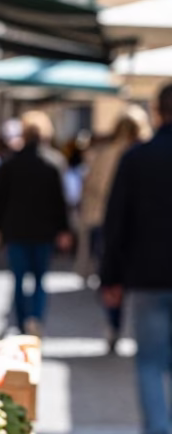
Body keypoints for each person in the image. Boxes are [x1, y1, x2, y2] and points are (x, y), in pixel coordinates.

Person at [101, 83, 172, 434]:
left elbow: (116, 221)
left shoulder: (137, 158)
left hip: (146, 277)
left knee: (149, 364)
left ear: (158, 112)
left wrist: (110, 277)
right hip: (149, 277)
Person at [0, 111, 71, 335]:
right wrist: (64, 229)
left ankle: (24, 321)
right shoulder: (53, 163)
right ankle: (35, 318)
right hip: (44, 231)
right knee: (40, 279)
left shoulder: (10, 163)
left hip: (16, 230)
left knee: (19, 279)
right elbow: (60, 201)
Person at [80, 107, 150, 351]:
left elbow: (89, 187)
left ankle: (114, 324)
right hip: (138, 226)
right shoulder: (142, 154)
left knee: (111, 277)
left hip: (105, 221)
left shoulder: (106, 154)